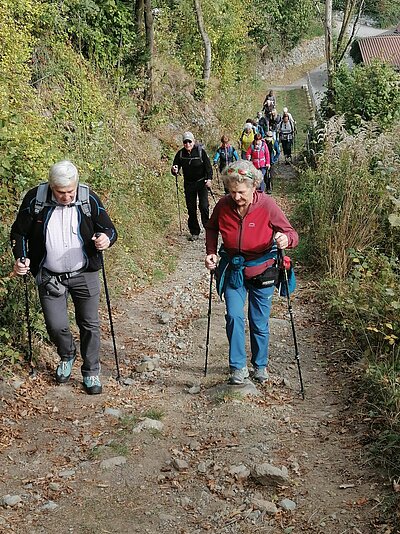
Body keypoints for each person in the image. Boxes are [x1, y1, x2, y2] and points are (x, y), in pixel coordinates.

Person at [10, 160, 118, 395]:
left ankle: (91, 372)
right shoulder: (35, 200)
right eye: (61, 192)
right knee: (56, 325)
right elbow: (19, 232)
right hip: (50, 275)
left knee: (89, 324)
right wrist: (21, 258)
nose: (67, 196)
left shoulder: (88, 199)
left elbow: (110, 229)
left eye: (70, 191)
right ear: (51, 187)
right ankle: (67, 355)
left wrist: (105, 240)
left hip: (84, 273)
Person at [205, 160, 298, 385]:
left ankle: (260, 365)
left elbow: (291, 233)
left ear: (254, 186)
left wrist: (286, 239)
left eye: (241, 192)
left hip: (262, 269)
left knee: (259, 321)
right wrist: (211, 252)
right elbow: (211, 227)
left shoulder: (267, 205)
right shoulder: (223, 204)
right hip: (233, 269)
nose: (236, 197)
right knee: (234, 316)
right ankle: (238, 367)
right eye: (232, 191)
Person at [171, 132, 213, 241]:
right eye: (185, 142)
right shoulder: (180, 154)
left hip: (201, 183)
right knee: (191, 208)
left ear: (193, 142)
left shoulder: (200, 152)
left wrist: (209, 179)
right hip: (189, 184)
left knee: (204, 206)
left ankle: (208, 229)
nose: (187, 144)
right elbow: (175, 167)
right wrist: (174, 170)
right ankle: (194, 232)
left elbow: (208, 167)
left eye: (189, 141)